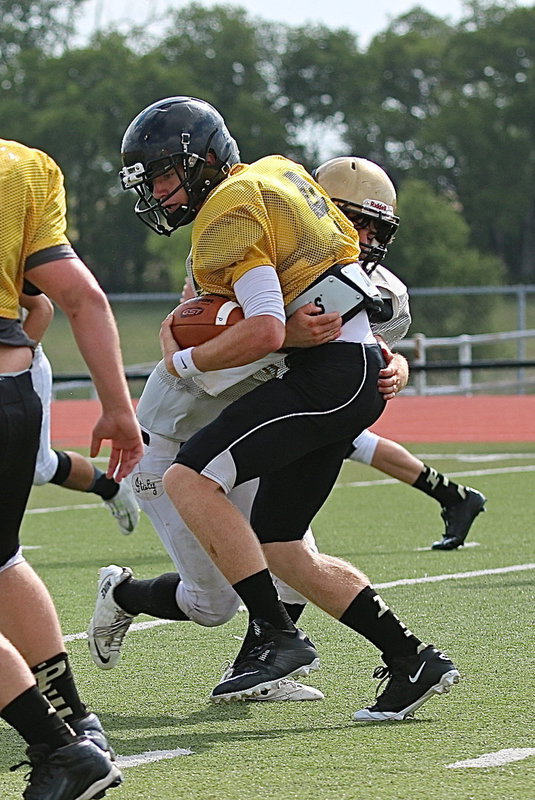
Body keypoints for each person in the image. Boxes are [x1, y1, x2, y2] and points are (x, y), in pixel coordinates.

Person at [103, 96, 460, 723]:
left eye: (164, 173)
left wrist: (183, 360)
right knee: (284, 546)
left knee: (191, 477)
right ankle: (412, 660)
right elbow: (301, 307)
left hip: (325, 380)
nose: (158, 192)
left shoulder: (226, 213)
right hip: (339, 378)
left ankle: (274, 633)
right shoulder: (278, 172)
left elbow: (266, 329)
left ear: (203, 161)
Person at [0, 137, 143, 798]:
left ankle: (61, 750)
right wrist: (116, 405)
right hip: (14, 387)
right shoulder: (22, 166)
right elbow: (75, 298)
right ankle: (73, 722)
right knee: (2, 563)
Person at [313, 157, 487, 550]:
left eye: (377, 230)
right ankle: (454, 496)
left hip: (299, 386)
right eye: (359, 224)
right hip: (248, 377)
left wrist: (400, 366)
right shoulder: (272, 247)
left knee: (344, 437)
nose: (368, 241)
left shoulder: (382, 291)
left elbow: (376, 348)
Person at [20, 290, 140, 535]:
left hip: (19, 366)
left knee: (39, 468)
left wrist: (11, 369)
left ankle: (108, 486)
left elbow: (42, 308)